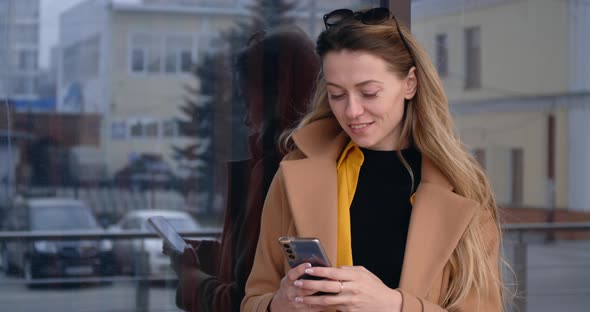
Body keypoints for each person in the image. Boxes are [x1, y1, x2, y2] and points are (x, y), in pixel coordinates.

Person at [242, 7, 504, 312]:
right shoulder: (294, 173)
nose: (351, 111)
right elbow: (253, 301)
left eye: (368, 93)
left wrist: (394, 305)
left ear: (410, 84)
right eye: (337, 95)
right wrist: (279, 303)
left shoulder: (463, 188)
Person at [164, 25, 321, 312]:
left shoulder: (279, 174)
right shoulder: (321, 164)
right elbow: (262, 262)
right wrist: (213, 254)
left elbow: (243, 301)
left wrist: (190, 280)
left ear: (279, 95)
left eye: (248, 102)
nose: (247, 118)